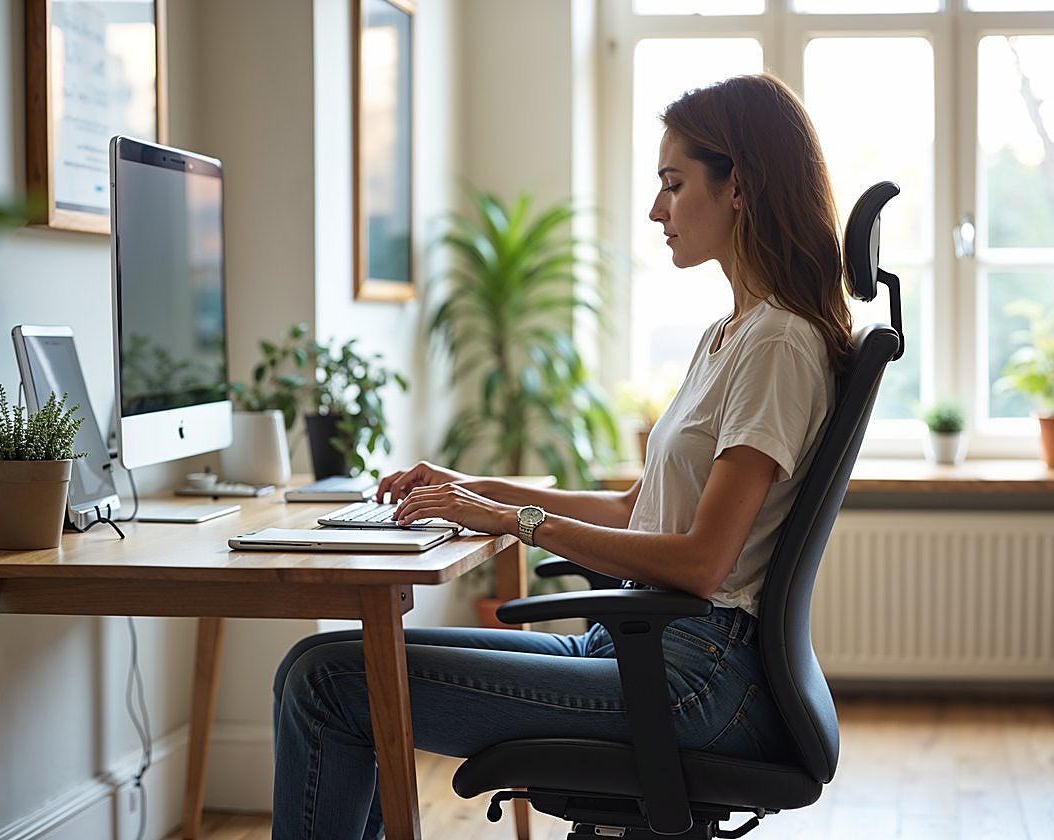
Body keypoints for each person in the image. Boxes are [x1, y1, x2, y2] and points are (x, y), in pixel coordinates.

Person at [271, 72, 852, 840]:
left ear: (737, 185)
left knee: (325, 680)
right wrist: (469, 488)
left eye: (673, 185)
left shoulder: (778, 341)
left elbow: (704, 562)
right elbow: (636, 511)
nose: (656, 209)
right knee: (329, 667)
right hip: (651, 652)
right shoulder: (733, 334)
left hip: (694, 677)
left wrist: (515, 518)